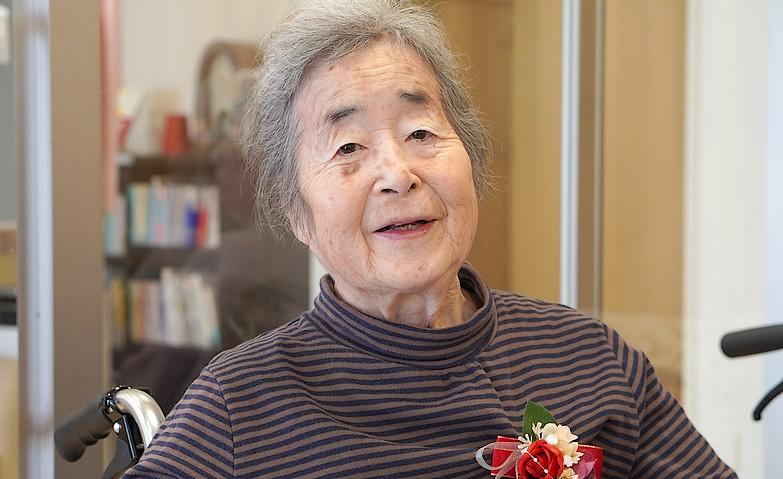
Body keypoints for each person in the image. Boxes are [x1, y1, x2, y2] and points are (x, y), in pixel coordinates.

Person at [123, 1, 737, 477]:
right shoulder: (238, 407)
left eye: (421, 132)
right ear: (297, 215)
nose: (398, 173)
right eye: (348, 147)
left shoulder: (588, 356)